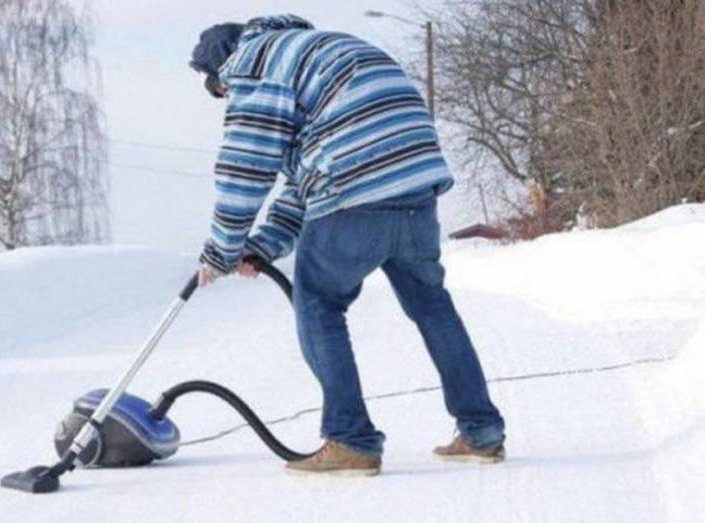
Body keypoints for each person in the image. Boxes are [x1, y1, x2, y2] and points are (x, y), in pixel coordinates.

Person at [189, 14, 505, 476]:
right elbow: (305, 181)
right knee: (432, 307)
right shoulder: (315, 51)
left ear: (221, 71)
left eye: (221, 93)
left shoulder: (252, 66)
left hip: (355, 190)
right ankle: (482, 431)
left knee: (317, 302)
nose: (227, 100)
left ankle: (350, 439)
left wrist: (221, 249)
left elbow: (245, 167)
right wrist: (260, 246)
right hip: (415, 184)